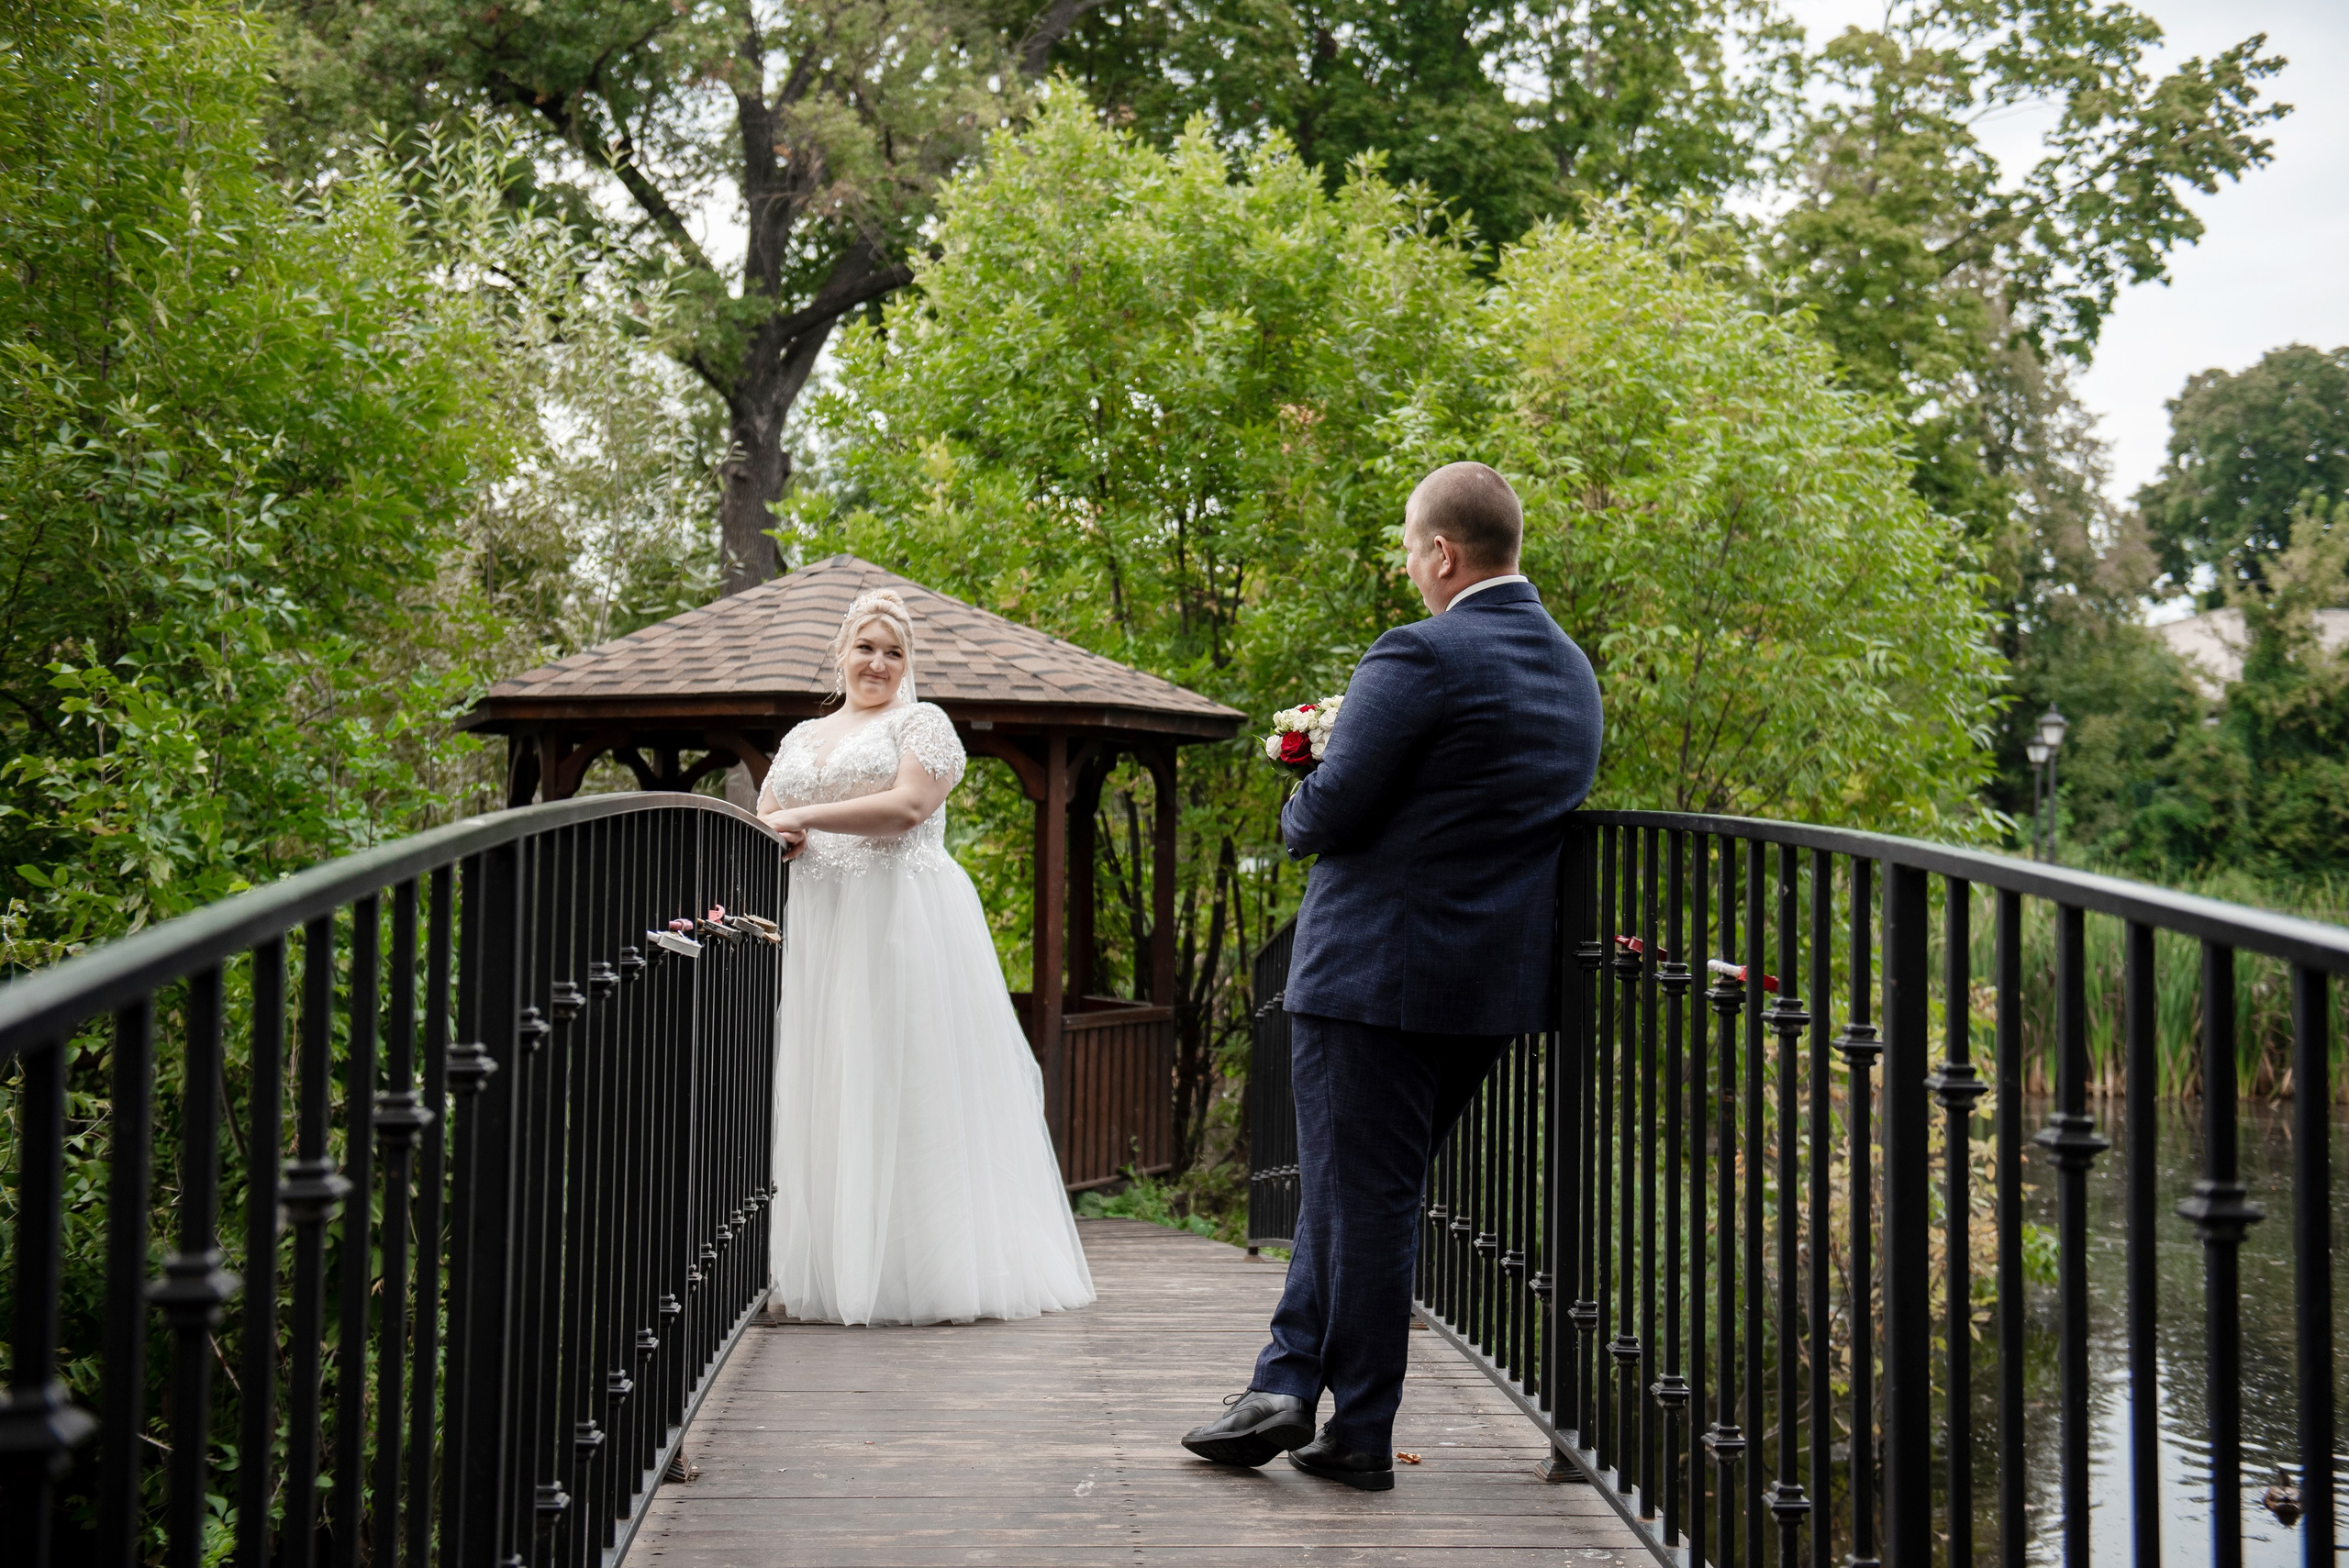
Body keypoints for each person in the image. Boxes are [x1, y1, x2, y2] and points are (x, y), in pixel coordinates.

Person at [1179, 462, 1602, 1488]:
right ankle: (1283, 1385)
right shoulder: (1571, 670)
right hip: (1486, 986)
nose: (1412, 570)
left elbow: (1325, 818)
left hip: (1373, 979)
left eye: (1413, 552)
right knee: (1360, 1192)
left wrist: (1299, 786)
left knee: (1362, 1201)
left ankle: (1360, 1429)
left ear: (1442, 554)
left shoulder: (1421, 651)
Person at [758, 587, 1096, 1326]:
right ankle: (837, 1269)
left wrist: (804, 817)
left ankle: (921, 1275)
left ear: (907, 663)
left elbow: (908, 807)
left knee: (906, 1078)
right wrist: (779, 833)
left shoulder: (924, 724)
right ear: (842, 651)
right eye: (866, 646)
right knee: (835, 1078)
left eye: (894, 651)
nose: (877, 662)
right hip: (825, 928)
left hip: (901, 923)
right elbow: (765, 820)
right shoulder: (799, 740)